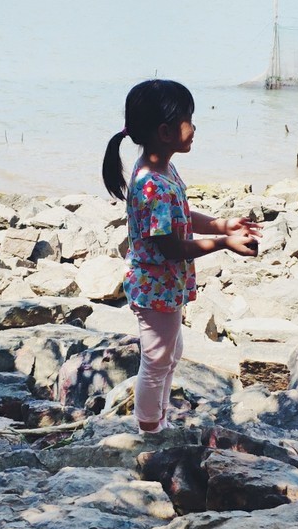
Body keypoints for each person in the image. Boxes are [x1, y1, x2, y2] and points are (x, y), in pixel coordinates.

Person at [102, 79, 261, 434]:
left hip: (164, 286)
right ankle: (149, 430)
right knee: (157, 360)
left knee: (170, 354)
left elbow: (182, 216)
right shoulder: (152, 185)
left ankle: (159, 417)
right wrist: (223, 243)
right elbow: (171, 247)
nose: (194, 127)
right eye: (189, 119)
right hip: (154, 287)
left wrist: (222, 224)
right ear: (166, 132)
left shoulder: (164, 170)